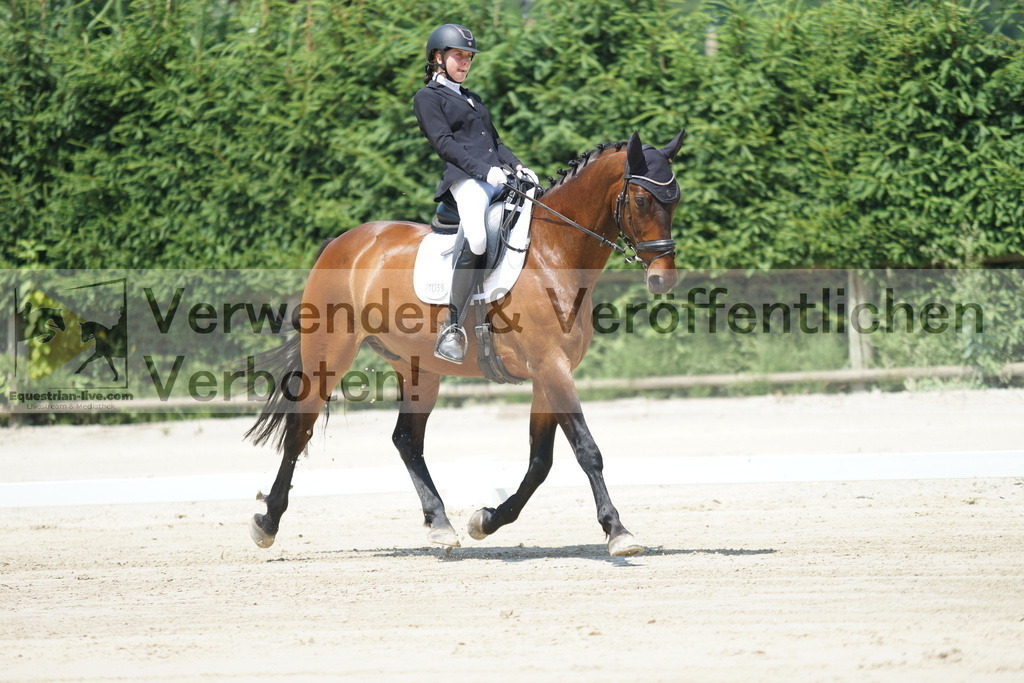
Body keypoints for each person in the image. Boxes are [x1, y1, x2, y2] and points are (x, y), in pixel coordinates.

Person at [413, 23, 538, 364]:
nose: (465, 63)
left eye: (468, 57)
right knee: (479, 238)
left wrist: (518, 166)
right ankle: (453, 326)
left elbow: (495, 142)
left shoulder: (473, 98)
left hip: (496, 176)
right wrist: (485, 171)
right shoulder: (428, 98)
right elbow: (444, 145)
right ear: (438, 58)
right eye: (458, 56)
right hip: (465, 180)